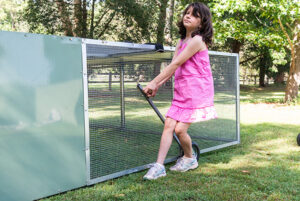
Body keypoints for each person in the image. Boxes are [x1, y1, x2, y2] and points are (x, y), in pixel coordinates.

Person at [143, 2, 217, 180]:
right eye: (187, 13)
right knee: (169, 126)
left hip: (197, 93)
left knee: (179, 130)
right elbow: (174, 67)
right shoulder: (181, 41)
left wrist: (153, 82)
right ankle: (159, 166)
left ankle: (190, 158)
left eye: (194, 15)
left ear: (201, 23)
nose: (188, 16)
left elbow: (176, 63)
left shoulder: (197, 41)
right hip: (182, 91)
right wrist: (158, 85)